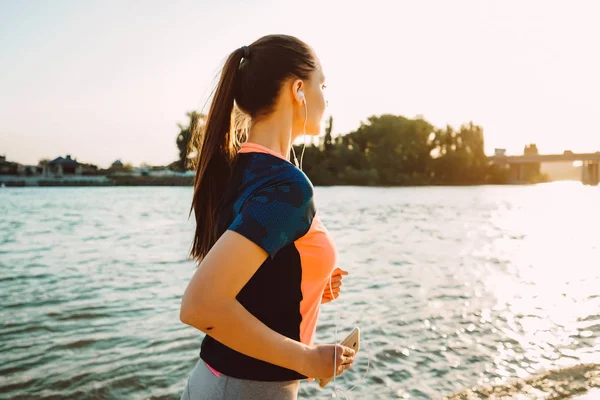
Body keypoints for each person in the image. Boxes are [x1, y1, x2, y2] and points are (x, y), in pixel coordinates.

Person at [179, 34, 354, 400]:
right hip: (248, 391)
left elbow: (244, 284)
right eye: (321, 84)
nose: (326, 96)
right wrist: (308, 359)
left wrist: (306, 283)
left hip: (217, 384)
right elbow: (201, 305)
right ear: (298, 90)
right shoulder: (286, 187)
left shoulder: (242, 170)